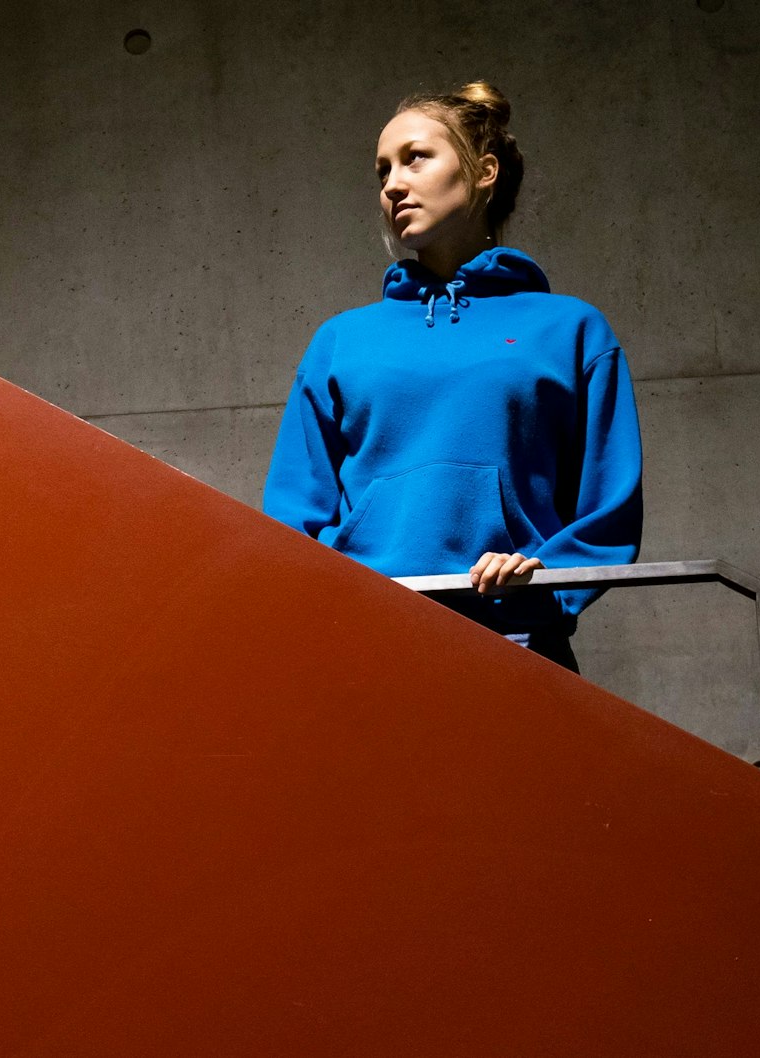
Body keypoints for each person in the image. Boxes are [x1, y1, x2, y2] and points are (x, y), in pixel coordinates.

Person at [262, 81, 643, 673]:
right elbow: (292, 512)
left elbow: (610, 502)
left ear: (484, 172)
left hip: (515, 635)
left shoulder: (569, 329)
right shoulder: (342, 340)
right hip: (363, 632)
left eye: (415, 158)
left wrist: (549, 575)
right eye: (383, 170)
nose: (392, 184)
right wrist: (329, 600)